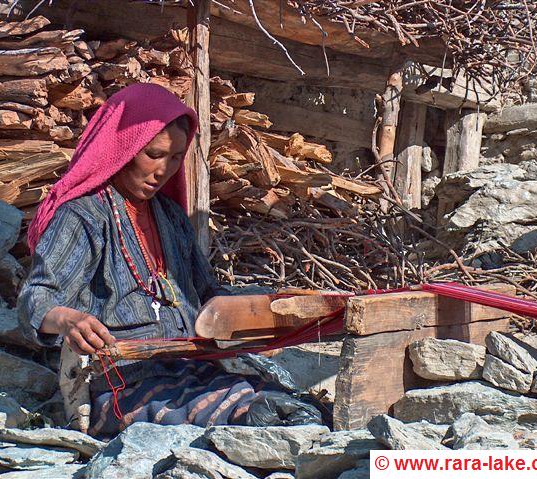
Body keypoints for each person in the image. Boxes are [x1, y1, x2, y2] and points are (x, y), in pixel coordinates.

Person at [18, 83, 321, 439]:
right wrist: (68, 320)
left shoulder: (171, 217)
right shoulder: (83, 216)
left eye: (175, 157)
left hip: (193, 369)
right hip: (123, 385)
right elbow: (34, 299)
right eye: (154, 154)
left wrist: (272, 307)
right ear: (123, 148)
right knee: (253, 420)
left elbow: (209, 294)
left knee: (292, 406)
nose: (163, 170)